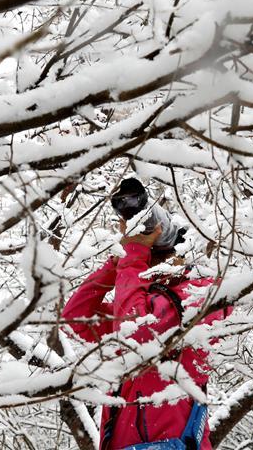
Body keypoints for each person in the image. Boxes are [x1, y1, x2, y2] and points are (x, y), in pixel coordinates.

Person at [61, 178, 230, 450]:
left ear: (186, 255)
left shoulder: (204, 295)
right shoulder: (138, 304)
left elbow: (139, 330)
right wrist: (116, 263)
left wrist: (135, 254)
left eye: (160, 254)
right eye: (151, 256)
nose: (152, 263)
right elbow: (74, 319)